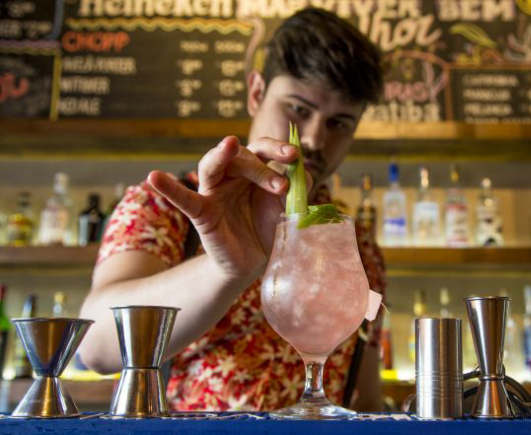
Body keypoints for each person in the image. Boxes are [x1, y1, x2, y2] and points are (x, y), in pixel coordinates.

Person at [78, 8, 385, 412]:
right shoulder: (165, 206)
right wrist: (224, 269)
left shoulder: (353, 239)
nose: (312, 138)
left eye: (339, 124)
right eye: (299, 109)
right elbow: (96, 346)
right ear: (256, 91)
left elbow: (364, 384)